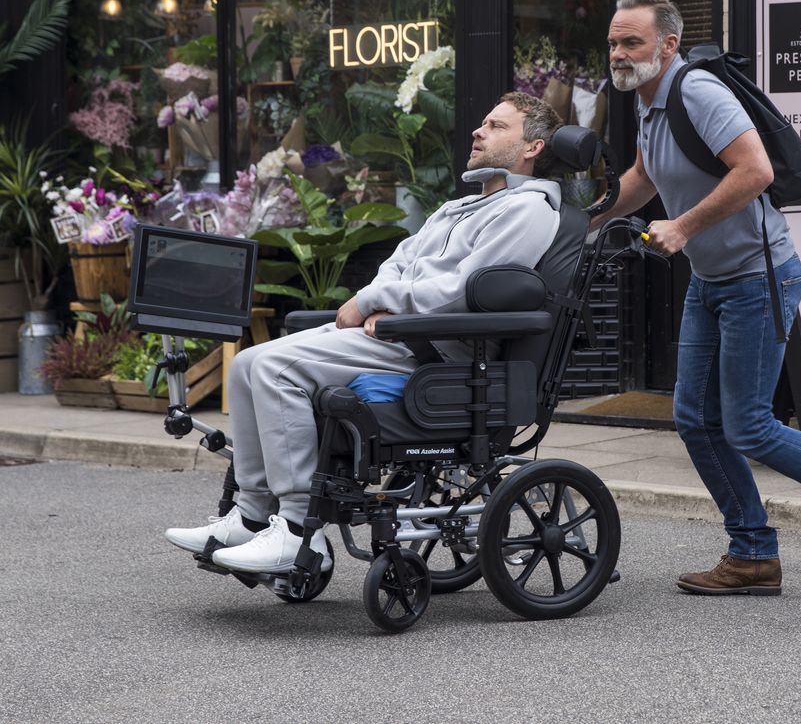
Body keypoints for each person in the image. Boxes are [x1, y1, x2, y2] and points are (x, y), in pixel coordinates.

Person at [598, 0, 801, 595]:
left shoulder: (697, 91)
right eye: (613, 42)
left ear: (667, 45)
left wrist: (683, 225)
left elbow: (757, 171)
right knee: (695, 419)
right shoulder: (647, 100)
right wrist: (578, 225)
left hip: (757, 275)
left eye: (630, 41)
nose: (618, 52)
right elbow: (643, 176)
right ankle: (751, 555)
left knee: (748, 424)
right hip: (712, 279)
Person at [166, 92, 566, 574]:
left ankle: (296, 532)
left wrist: (381, 305)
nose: (480, 131)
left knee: (274, 369)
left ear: (533, 147)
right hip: (399, 331)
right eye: (483, 120)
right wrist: (375, 300)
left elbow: (463, 290)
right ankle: (252, 517)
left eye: (498, 126)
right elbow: (397, 263)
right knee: (250, 362)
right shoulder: (459, 207)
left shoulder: (529, 210)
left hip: (437, 349)